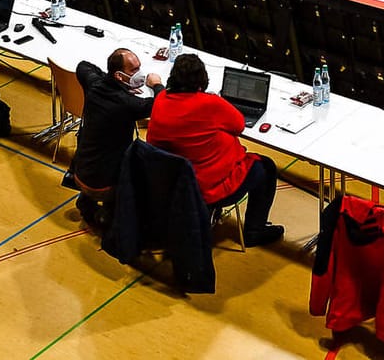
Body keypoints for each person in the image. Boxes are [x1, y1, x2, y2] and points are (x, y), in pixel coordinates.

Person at [147, 53, 285, 246]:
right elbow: (238, 125)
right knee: (267, 167)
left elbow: (162, 93)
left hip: (172, 183)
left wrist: (156, 84)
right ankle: (255, 230)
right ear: (202, 81)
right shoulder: (210, 103)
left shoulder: (161, 99)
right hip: (208, 189)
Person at [72, 48, 164, 228]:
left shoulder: (94, 85)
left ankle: (87, 202)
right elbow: (161, 104)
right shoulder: (128, 104)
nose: (139, 74)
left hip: (80, 170)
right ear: (119, 75)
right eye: (133, 70)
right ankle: (109, 212)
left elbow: (83, 66)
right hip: (103, 184)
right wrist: (157, 85)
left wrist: (123, 86)